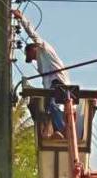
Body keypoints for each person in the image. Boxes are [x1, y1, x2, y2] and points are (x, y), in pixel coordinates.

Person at [13, 9, 70, 140]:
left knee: (53, 105)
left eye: (31, 56)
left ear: (34, 48)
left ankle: (62, 129)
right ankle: (58, 131)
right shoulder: (41, 64)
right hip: (52, 84)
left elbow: (33, 34)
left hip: (58, 81)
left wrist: (21, 18)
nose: (32, 59)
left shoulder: (44, 48)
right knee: (50, 107)